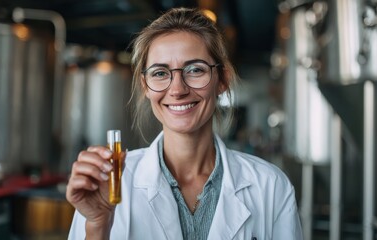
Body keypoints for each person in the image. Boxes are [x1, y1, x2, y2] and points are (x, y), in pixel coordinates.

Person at [66, 7, 303, 240]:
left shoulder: (270, 185)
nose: (177, 89)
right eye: (160, 73)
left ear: (222, 80)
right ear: (145, 86)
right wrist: (97, 226)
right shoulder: (111, 184)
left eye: (195, 70)